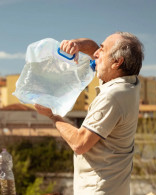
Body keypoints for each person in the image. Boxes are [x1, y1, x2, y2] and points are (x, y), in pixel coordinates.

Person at [35, 32, 144, 195]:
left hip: (98, 190)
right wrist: (75, 44)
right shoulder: (129, 83)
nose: (95, 54)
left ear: (117, 62)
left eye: (102, 50)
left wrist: (53, 116)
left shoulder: (112, 96)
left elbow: (80, 143)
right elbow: (93, 47)